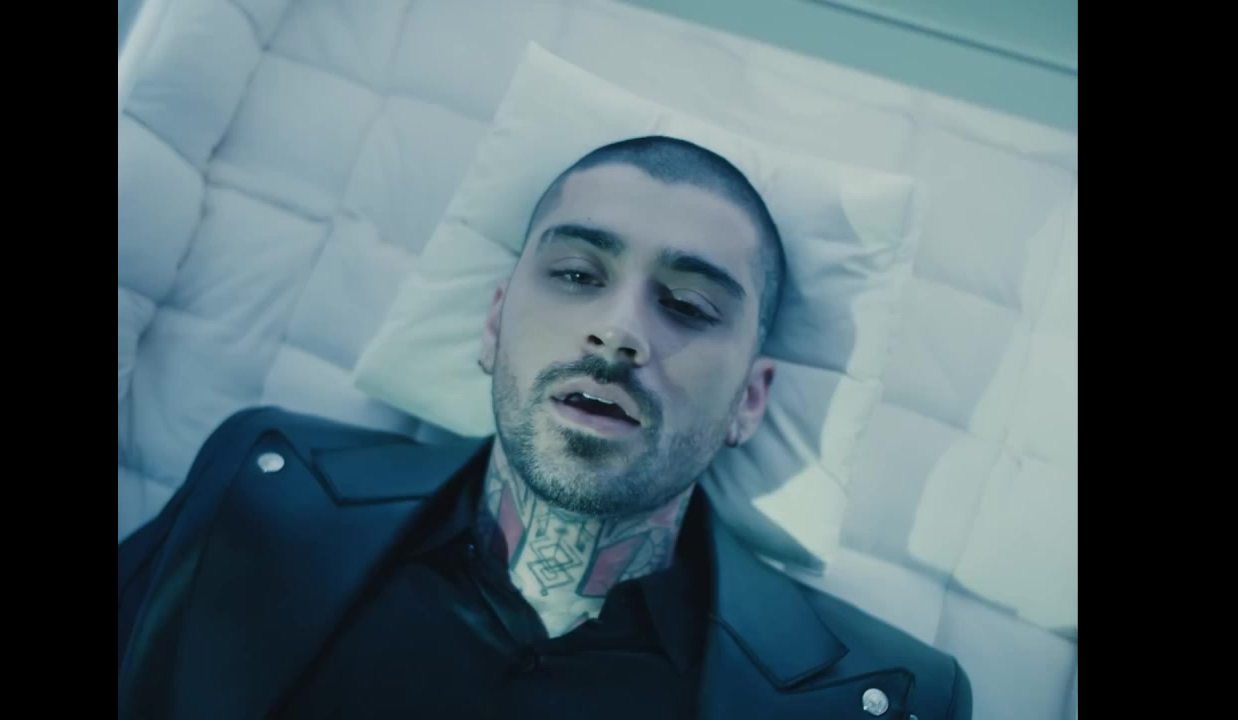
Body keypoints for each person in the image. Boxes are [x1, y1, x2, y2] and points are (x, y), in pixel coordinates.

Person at [117, 136, 972, 719]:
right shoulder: (258, 484)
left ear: (751, 400)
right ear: (494, 323)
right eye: (576, 274)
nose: (619, 332)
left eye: (687, 303)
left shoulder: (895, 698)